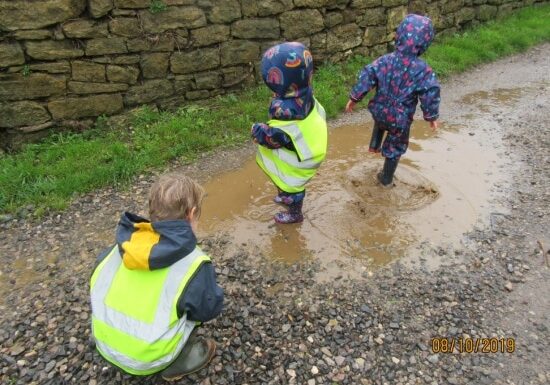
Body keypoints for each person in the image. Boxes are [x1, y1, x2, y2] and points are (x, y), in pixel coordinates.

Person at [89, 173, 223, 381]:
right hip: (149, 358)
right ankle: (179, 361)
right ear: (192, 214)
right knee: (194, 310)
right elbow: (208, 309)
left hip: (104, 343)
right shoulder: (194, 263)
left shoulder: (120, 248)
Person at [345, 14, 441, 186]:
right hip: (399, 119)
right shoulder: (423, 70)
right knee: (395, 147)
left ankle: (374, 145)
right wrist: (431, 116)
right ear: (425, 43)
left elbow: (368, 74)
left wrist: (354, 98)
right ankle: (386, 179)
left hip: (379, 110)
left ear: (399, 36)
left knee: (382, 120)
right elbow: (430, 92)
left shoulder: (385, 60)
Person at [252, 42, 328, 224]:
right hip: (312, 145)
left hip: (300, 160)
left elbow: (275, 138)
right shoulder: (304, 91)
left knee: (292, 188)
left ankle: (294, 213)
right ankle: (291, 200)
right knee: (294, 186)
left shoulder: (286, 112)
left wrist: (258, 131)